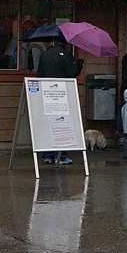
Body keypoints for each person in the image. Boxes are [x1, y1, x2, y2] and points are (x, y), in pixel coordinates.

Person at [36, 36, 84, 164]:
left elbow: (39, 75)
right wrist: (79, 64)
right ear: (66, 43)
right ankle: (61, 157)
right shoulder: (67, 55)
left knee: (48, 125)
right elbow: (71, 73)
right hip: (61, 95)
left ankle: (48, 155)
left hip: (46, 94)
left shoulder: (44, 54)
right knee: (61, 124)